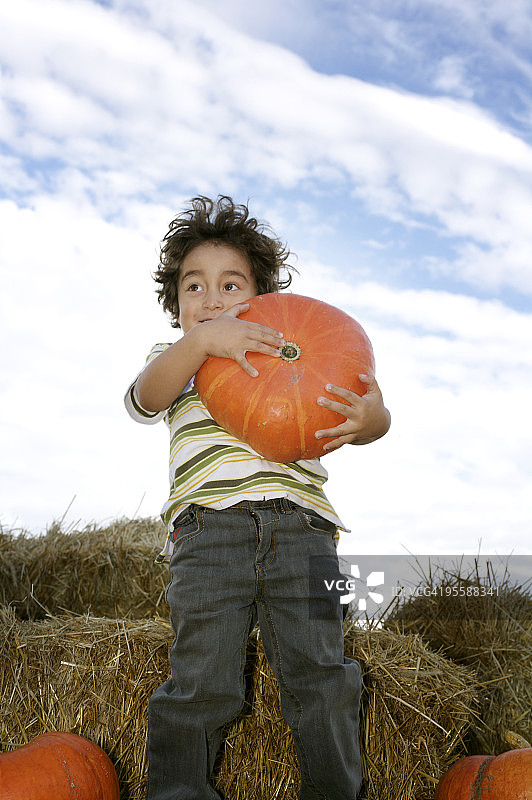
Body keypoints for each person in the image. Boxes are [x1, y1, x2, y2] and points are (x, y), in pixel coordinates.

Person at [125, 195, 391, 800]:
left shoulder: (294, 355)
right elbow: (144, 397)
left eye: (229, 285)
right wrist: (203, 345)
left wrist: (374, 420)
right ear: (176, 305)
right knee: (201, 679)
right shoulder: (176, 364)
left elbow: (363, 406)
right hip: (208, 535)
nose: (211, 299)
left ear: (263, 300)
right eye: (194, 286)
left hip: (306, 532)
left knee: (324, 675)